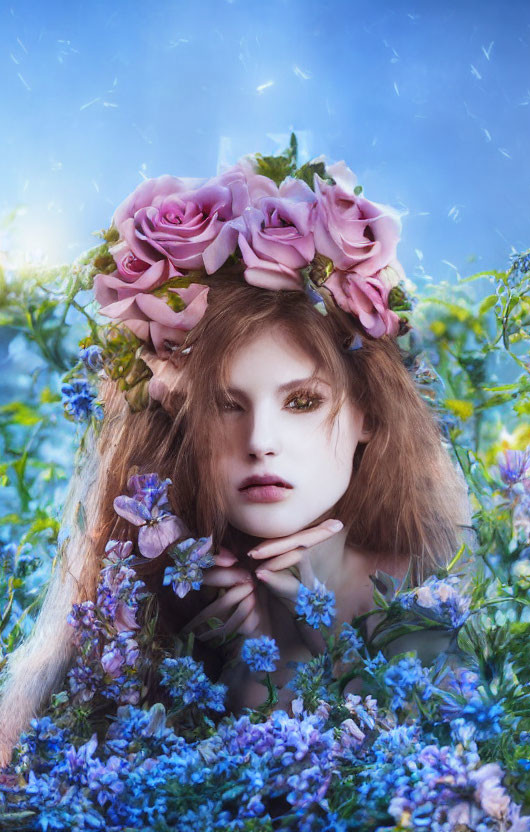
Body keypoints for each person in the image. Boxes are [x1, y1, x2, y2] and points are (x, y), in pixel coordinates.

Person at [0, 152, 473, 766]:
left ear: (368, 416)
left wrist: (333, 647)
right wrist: (231, 686)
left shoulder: (444, 575)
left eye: (302, 401)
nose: (260, 441)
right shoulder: (139, 596)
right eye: (226, 404)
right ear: (178, 419)